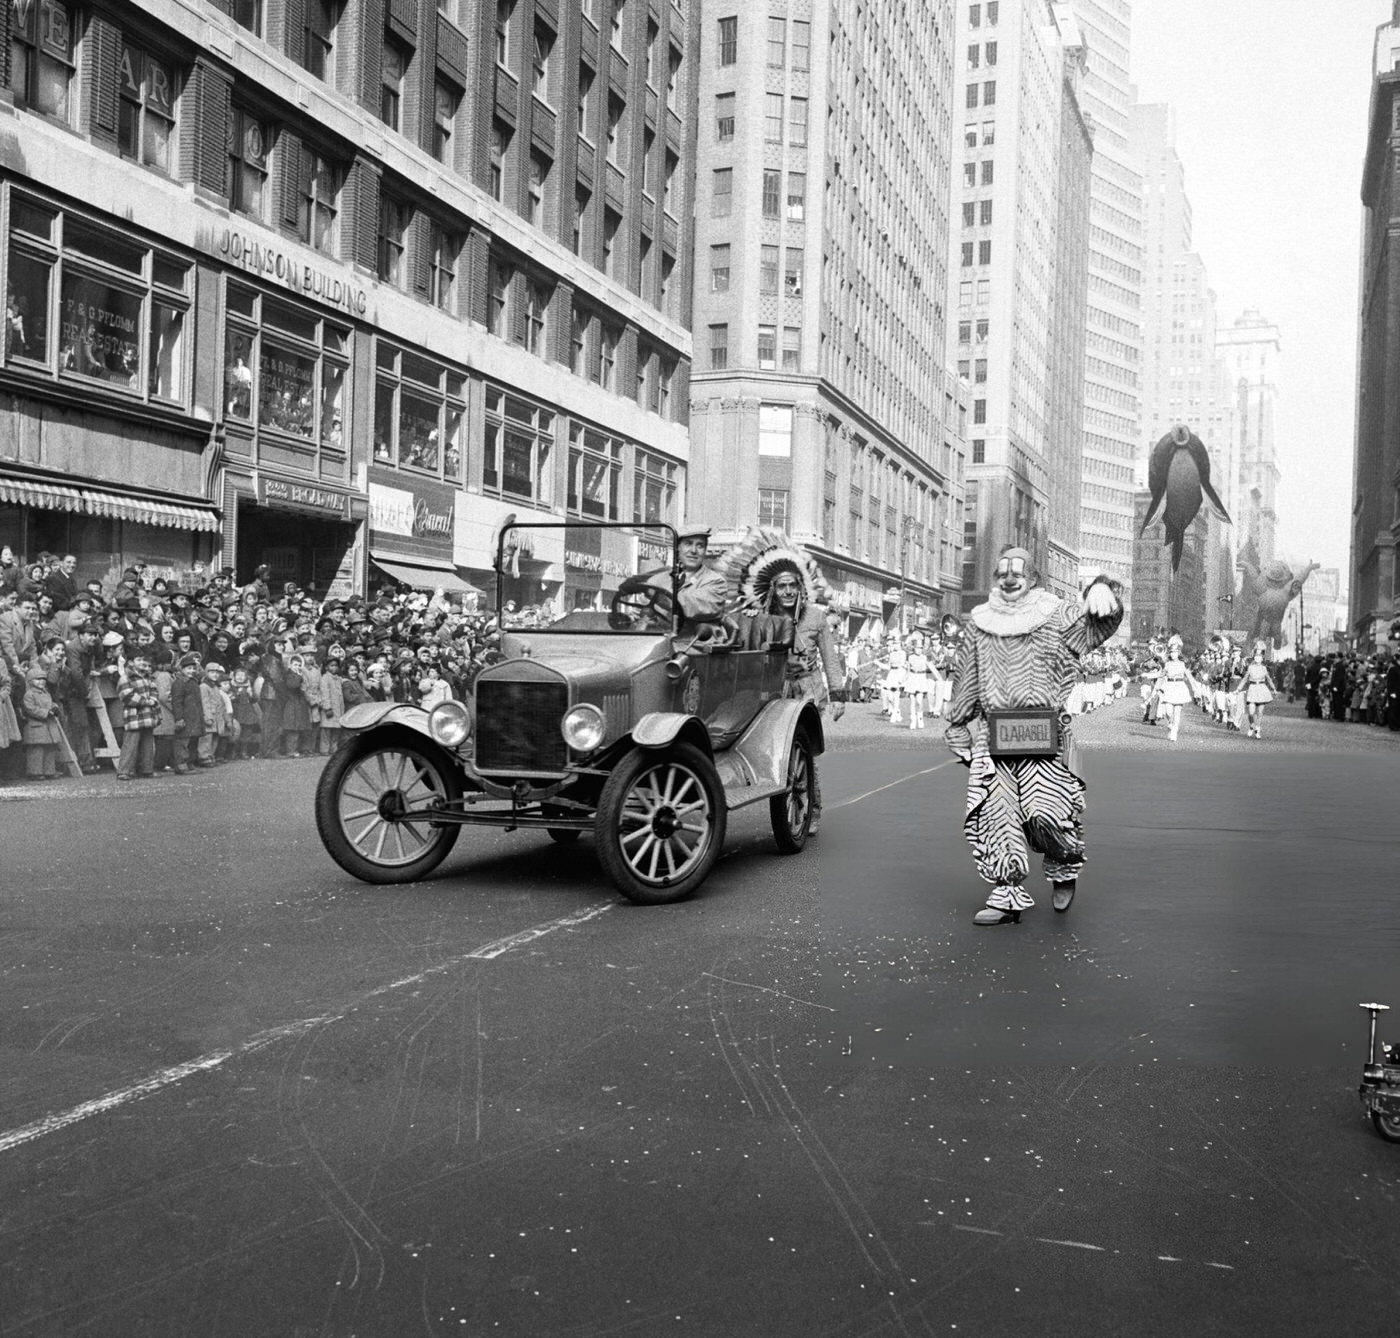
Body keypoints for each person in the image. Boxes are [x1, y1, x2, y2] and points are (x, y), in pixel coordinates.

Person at [944, 547, 1123, 926]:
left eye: (1017, 572)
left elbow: (1096, 626)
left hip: (1045, 736)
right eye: (1002, 572)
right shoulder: (980, 622)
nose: (1009, 578)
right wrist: (958, 724)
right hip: (994, 738)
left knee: (1047, 814)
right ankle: (1006, 893)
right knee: (996, 816)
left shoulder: (1055, 614)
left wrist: (1103, 590)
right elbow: (967, 676)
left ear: (1034, 579)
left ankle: (1063, 862)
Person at [1156, 637, 1204, 742]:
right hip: (1169, 687)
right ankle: (1170, 723)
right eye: (1172, 653)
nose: (1173, 654)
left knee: (1177, 712)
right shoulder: (1167, 664)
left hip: (1179, 687)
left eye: (1175, 653)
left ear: (1178, 654)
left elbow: (1190, 677)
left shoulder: (1182, 664)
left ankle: (1174, 731)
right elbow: (1161, 677)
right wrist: (1157, 688)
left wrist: (1195, 688)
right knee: (1169, 712)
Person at [1234, 644, 1279, 739]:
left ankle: (1257, 730)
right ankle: (1251, 726)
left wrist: (1274, 689)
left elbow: (1269, 679)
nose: (1257, 658)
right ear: (1254, 657)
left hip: (1262, 689)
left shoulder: (1264, 668)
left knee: (1260, 713)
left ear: (1262, 658)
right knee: (1251, 712)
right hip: (1252, 689)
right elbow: (1244, 679)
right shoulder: (1250, 667)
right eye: (1256, 656)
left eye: (1259, 656)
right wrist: (1238, 689)